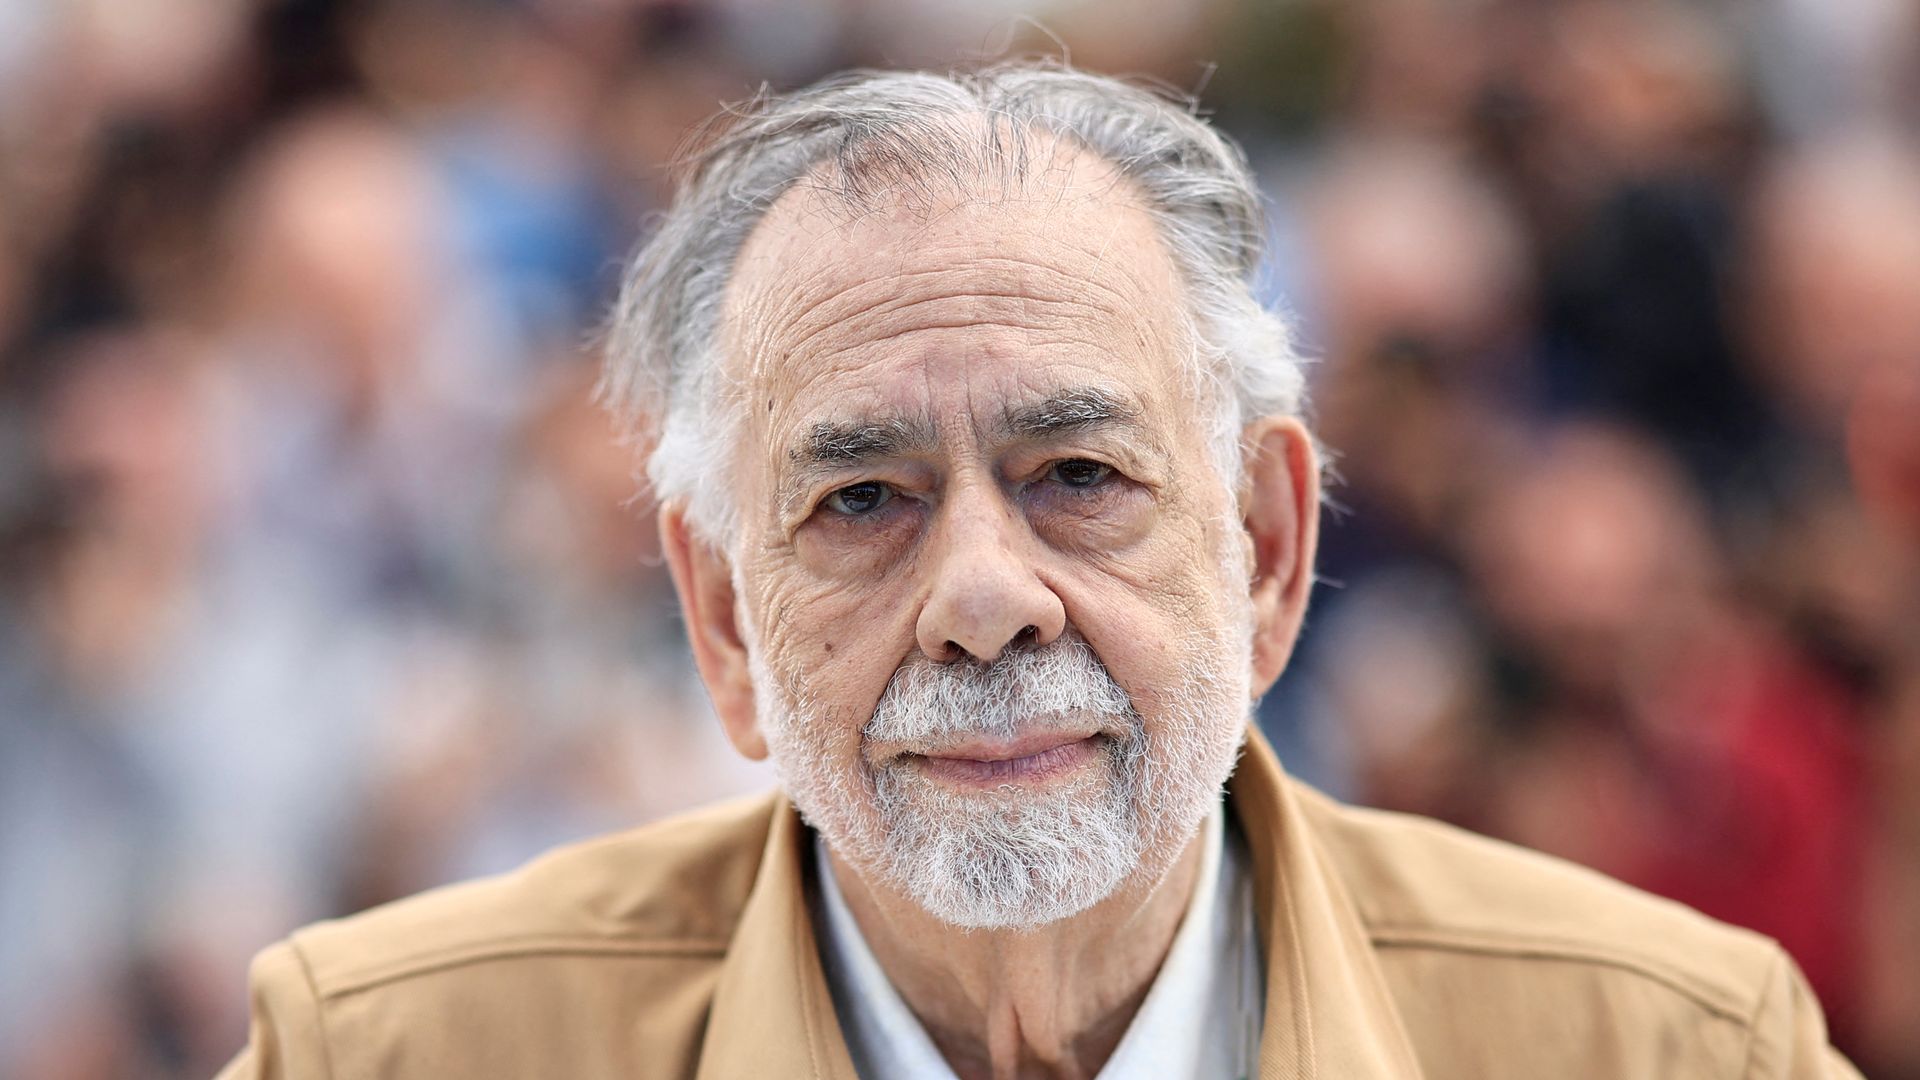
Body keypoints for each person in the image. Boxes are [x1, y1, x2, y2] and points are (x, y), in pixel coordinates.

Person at [218, 60, 1859, 1079]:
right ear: (723, 616)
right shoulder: (385, 1057)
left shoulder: (1672, 1051)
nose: (984, 597)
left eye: (1079, 476)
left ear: (1268, 549)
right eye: (861, 499)